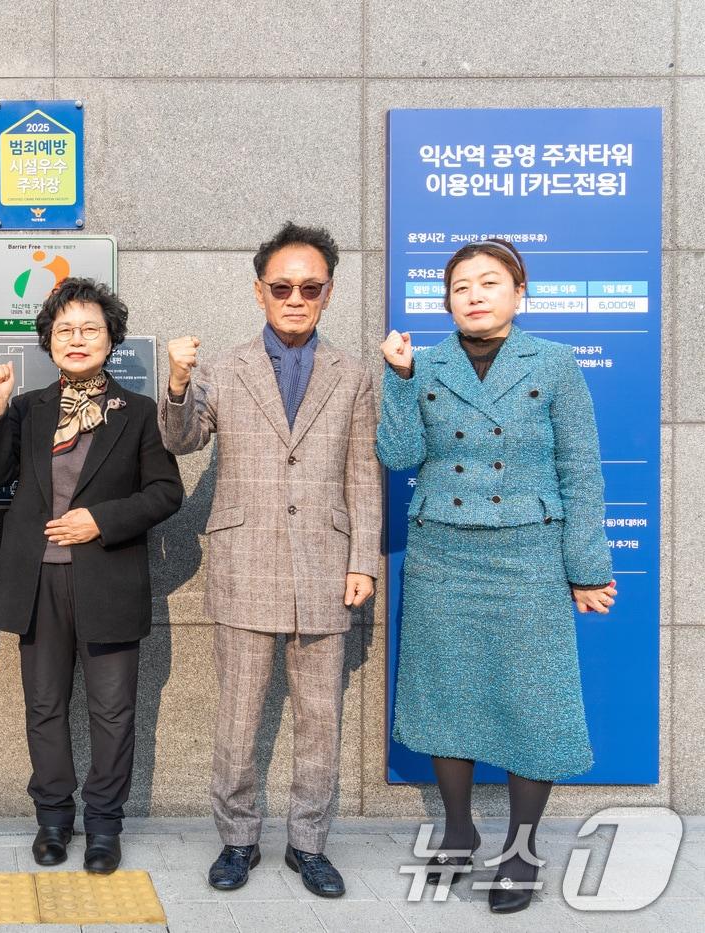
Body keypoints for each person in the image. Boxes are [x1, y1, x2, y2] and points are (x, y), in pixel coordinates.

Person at [376, 238, 616, 914]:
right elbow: (398, 454)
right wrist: (397, 379)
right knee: (446, 693)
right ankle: (458, 832)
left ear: (519, 293)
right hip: (443, 555)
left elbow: (580, 470)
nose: (474, 295)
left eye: (489, 282)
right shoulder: (423, 363)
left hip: (529, 555)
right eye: (460, 287)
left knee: (533, 700)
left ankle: (522, 849)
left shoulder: (556, 363)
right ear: (446, 301)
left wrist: (586, 569)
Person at [158, 222, 381, 898]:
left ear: (328, 293)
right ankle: (238, 838)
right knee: (238, 714)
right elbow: (182, 439)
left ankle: (309, 842)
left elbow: (363, 475)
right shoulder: (224, 368)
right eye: (282, 287)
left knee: (320, 717)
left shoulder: (353, 375)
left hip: (326, 563)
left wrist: (363, 561)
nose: (295, 298)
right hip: (244, 558)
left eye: (310, 288)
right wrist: (178, 382)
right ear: (259, 291)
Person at [0, 278, 182, 874]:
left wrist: (101, 520)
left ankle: (104, 824)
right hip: (37, 583)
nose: (77, 338)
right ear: (48, 341)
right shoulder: (28, 408)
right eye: (64, 329)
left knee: (112, 711)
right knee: (44, 706)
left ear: (112, 339)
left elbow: (166, 492)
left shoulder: (138, 413)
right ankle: (53, 819)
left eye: (90, 328)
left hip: (108, 580)